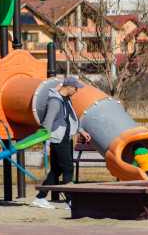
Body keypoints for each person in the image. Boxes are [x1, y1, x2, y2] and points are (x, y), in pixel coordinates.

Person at [31, 77, 91, 210]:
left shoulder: (66, 99)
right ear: (68, 87)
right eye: (75, 88)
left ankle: (40, 197)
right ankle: (70, 201)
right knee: (68, 168)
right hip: (58, 140)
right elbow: (48, 122)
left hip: (66, 138)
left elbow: (70, 119)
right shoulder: (55, 101)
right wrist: (44, 140)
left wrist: (81, 130)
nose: (76, 91)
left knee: (56, 170)